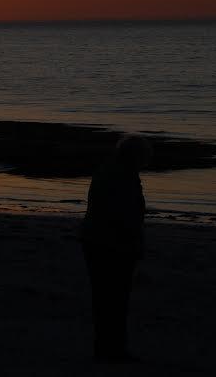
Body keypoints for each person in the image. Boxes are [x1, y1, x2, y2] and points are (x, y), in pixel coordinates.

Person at [79, 134, 151, 362]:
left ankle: (107, 348)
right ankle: (112, 349)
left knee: (106, 299)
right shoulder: (122, 176)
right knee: (115, 299)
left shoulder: (112, 172)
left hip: (99, 241)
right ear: (134, 156)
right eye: (144, 156)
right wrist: (133, 243)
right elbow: (123, 216)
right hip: (111, 244)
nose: (146, 161)